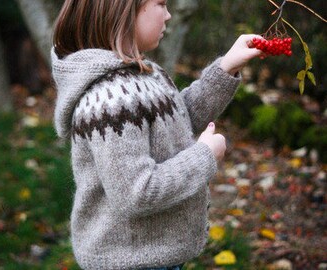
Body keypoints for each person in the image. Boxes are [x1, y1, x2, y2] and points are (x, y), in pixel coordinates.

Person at [51, 1, 264, 269]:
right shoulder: (110, 99)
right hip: (129, 262)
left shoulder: (137, 75)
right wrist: (204, 156)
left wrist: (226, 68)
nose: (168, 14)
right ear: (123, 10)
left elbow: (176, 122)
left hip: (148, 256)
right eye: (160, 4)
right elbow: (137, 192)